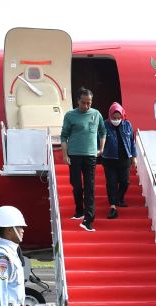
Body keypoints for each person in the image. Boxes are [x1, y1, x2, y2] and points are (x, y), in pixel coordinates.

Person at [61, 87, 106, 232]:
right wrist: (65, 154)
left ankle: (88, 219)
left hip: (91, 156)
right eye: (83, 103)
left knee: (90, 187)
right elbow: (64, 136)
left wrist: (101, 148)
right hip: (74, 155)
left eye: (89, 103)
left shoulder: (96, 114)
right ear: (78, 101)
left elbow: (103, 132)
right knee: (76, 185)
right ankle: (79, 210)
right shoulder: (70, 115)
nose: (86, 106)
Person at [101, 102, 137, 219]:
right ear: (109, 116)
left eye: (118, 118)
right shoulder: (104, 125)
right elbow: (98, 139)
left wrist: (134, 157)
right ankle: (113, 207)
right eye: (113, 118)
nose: (116, 120)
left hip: (125, 158)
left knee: (125, 182)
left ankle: (119, 198)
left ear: (122, 116)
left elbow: (132, 142)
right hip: (109, 159)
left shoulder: (127, 125)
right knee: (111, 183)